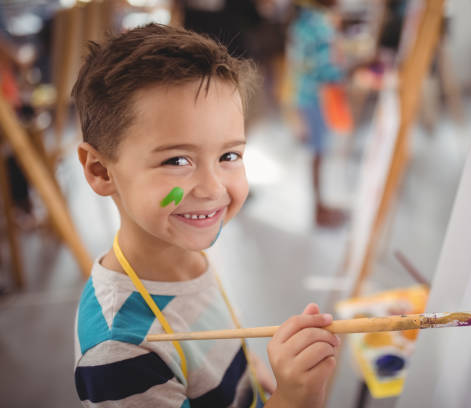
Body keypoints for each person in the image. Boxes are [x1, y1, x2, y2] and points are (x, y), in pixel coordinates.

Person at [73, 24, 339, 407]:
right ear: (101, 171)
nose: (213, 188)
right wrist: (294, 399)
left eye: (229, 156)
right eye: (176, 160)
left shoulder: (184, 253)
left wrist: (256, 376)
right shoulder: (119, 353)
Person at [288, 0, 347, 227]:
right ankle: (319, 208)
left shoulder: (303, 21)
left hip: (305, 95)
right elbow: (323, 67)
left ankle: (320, 205)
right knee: (318, 153)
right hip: (317, 97)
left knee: (318, 152)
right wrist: (351, 68)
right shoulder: (320, 25)